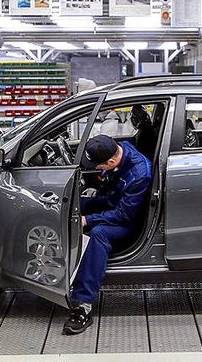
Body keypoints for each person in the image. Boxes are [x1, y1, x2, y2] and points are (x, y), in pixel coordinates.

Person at [63, 134, 152, 335]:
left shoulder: (140, 174)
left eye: (98, 166)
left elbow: (124, 215)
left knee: (99, 233)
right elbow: (108, 196)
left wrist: (87, 220)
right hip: (111, 202)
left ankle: (83, 304)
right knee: (71, 205)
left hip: (127, 220)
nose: (97, 169)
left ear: (111, 162)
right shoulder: (119, 149)